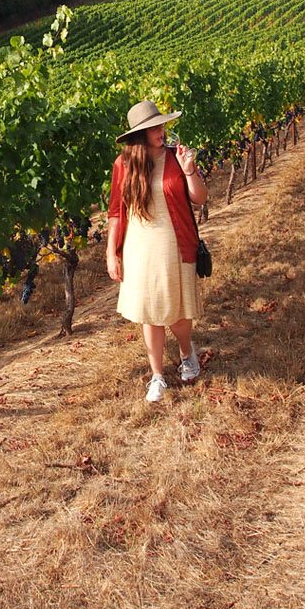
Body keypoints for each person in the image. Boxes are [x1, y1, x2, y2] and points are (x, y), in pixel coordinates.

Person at [106, 99, 208, 402]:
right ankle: (158, 375)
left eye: (162, 125)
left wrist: (190, 172)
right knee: (150, 313)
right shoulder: (123, 165)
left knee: (177, 312)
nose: (162, 131)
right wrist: (112, 252)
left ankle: (187, 351)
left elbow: (199, 199)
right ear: (140, 134)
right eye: (155, 128)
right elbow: (115, 212)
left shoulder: (177, 157)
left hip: (176, 242)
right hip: (140, 247)